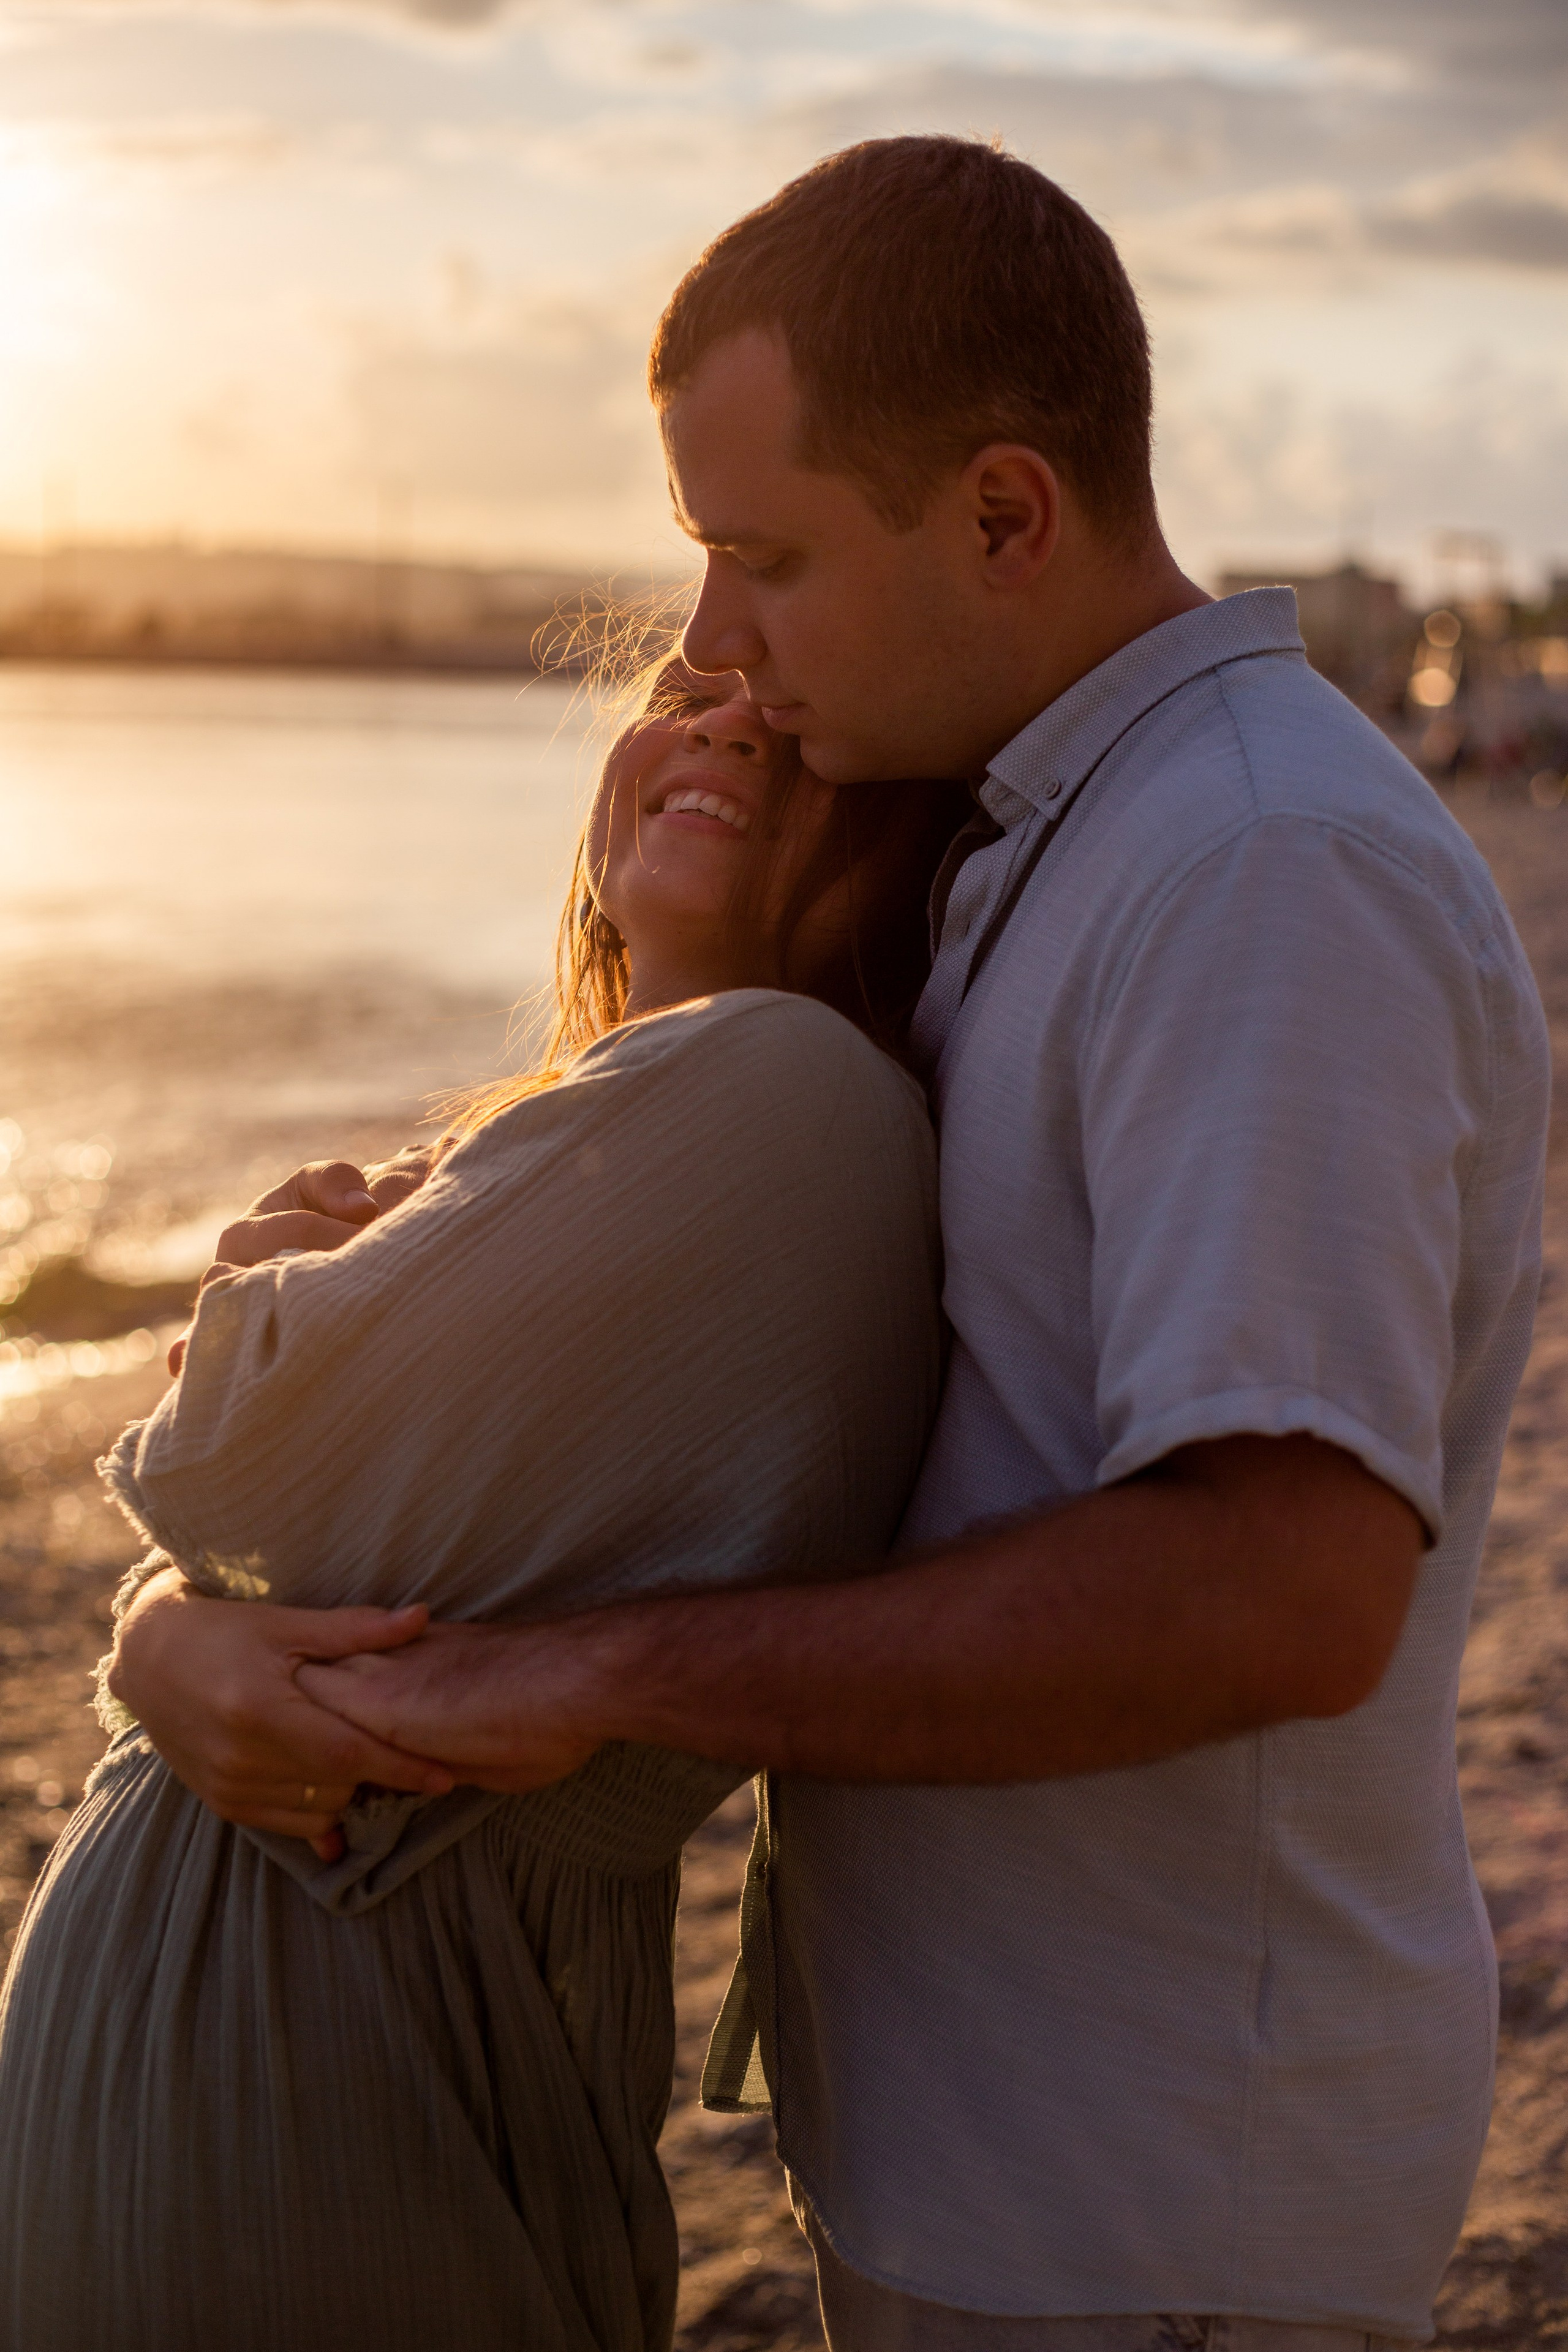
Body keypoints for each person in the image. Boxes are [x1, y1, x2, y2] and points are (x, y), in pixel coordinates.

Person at [110, 138, 1551, 2348]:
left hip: (1150, 2194)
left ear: (1002, 514)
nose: (704, 645)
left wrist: (589, 1676)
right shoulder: (1046, 850)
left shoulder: (1257, 867)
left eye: (759, 558)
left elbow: (1281, 1581)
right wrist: (183, 1635)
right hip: (1016, 2153)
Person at [0, 663, 970, 2352]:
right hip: (307, 2029)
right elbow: (274, 1536)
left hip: (355, 2067)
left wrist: (265, 1283)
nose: (728, 725)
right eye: (685, 689)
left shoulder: (791, 1092)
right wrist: (161, 1635)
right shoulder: (613, 1139)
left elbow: (233, 1464)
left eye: (792, 722)